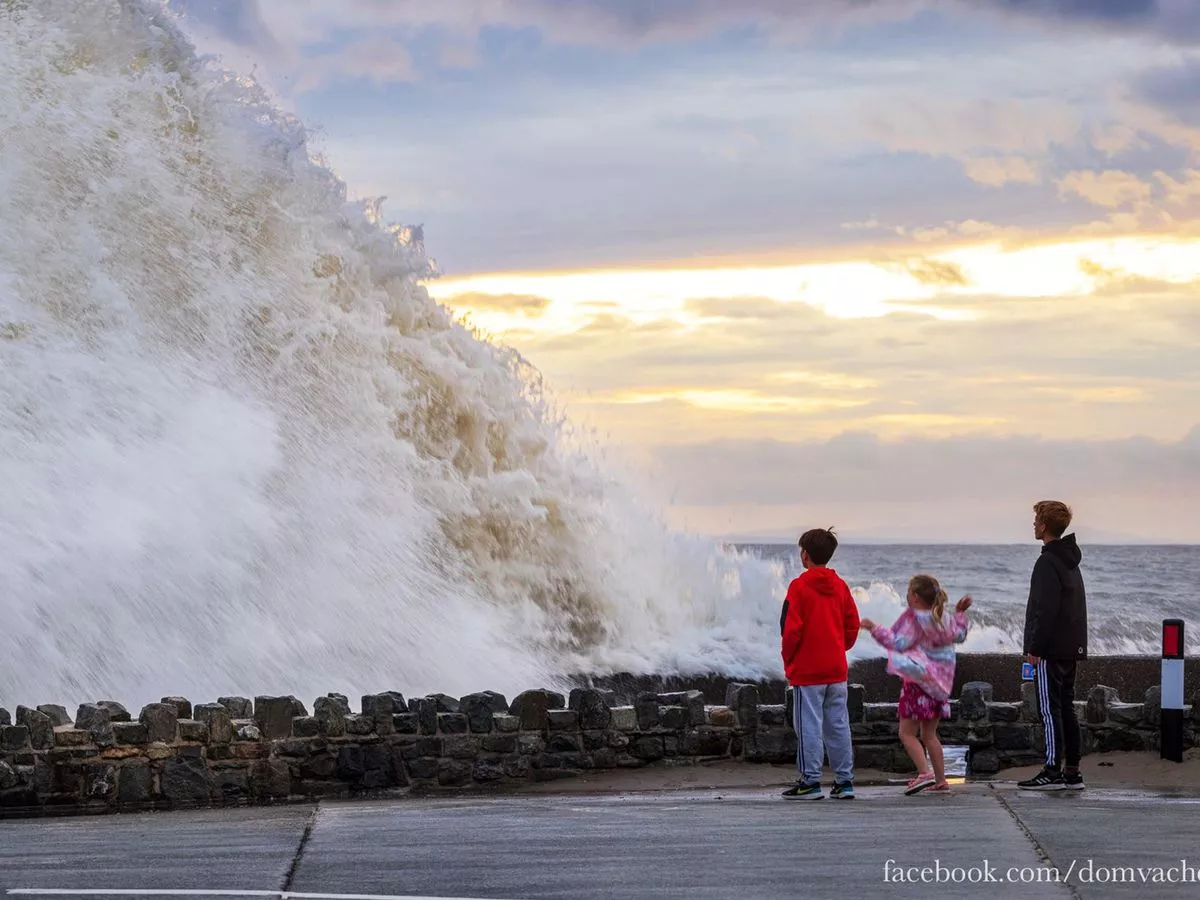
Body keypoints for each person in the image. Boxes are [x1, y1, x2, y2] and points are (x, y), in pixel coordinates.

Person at [862, 576, 972, 795]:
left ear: (914, 596)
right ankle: (941, 780)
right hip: (940, 686)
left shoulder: (914, 619)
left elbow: (898, 642)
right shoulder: (944, 618)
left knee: (906, 733)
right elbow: (960, 635)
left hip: (918, 683)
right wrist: (960, 613)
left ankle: (925, 773)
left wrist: (874, 628)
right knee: (930, 735)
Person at [779, 527, 861, 800]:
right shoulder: (840, 586)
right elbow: (852, 625)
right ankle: (844, 781)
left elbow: (790, 631)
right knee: (838, 725)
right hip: (836, 668)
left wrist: (788, 660)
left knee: (809, 726)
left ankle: (810, 781)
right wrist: (839, 647)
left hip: (807, 670)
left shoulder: (799, 587)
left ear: (805, 555)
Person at [1019, 500, 1088, 791]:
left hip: (1049, 650)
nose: (1033, 524)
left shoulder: (1047, 561)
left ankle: (1051, 769)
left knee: (1049, 711)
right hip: (1070, 647)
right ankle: (1072, 771)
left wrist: (1034, 648)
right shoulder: (1069, 560)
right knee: (1067, 708)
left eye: (1036, 520)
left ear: (1044, 525)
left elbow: (1044, 610)